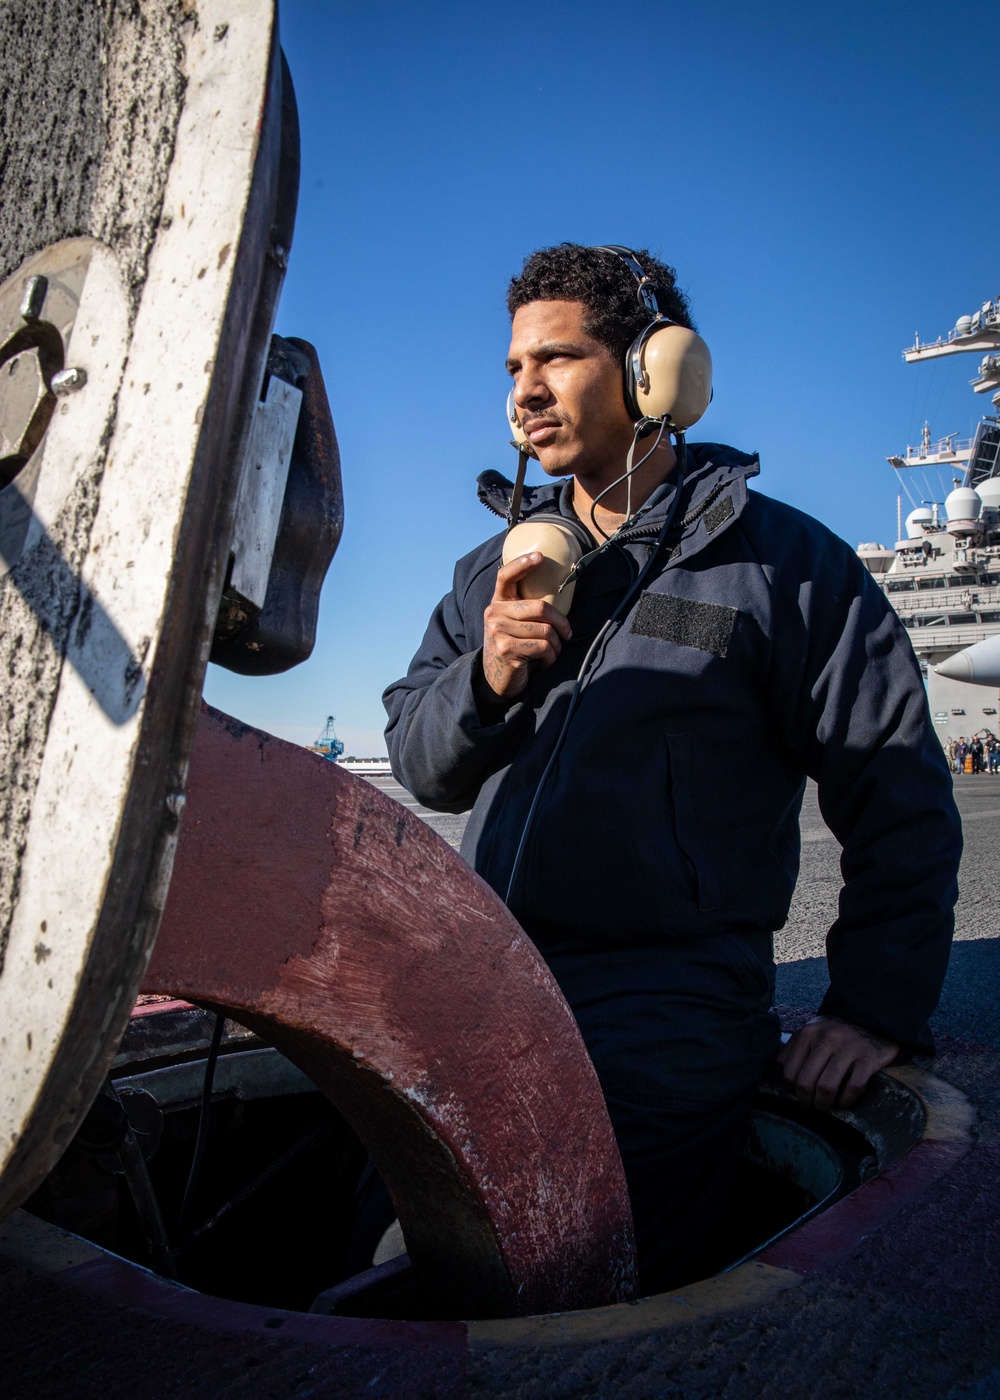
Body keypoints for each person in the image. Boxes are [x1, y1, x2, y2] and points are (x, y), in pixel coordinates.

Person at [383, 243, 962, 1292]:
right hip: (489, 982)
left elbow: (899, 793)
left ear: (657, 371)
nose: (523, 391)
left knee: (581, 1269)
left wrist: (874, 1005)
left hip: (665, 1006)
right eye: (512, 368)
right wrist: (490, 673)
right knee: (398, 1238)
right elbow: (423, 765)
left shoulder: (781, 567)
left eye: (554, 359)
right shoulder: (490, 571)